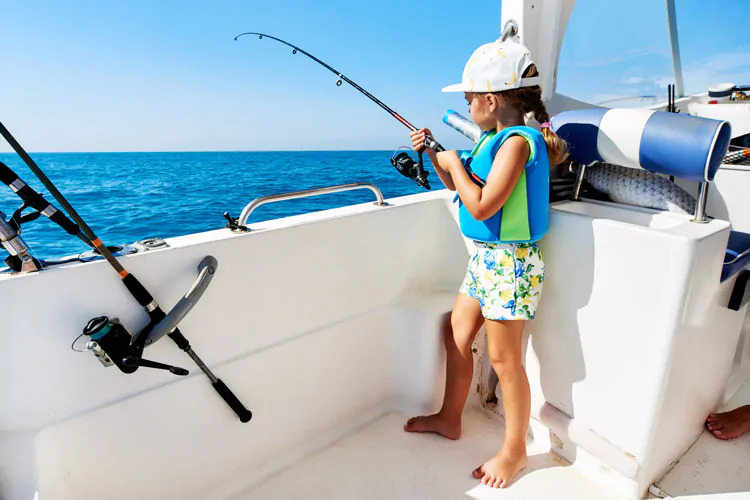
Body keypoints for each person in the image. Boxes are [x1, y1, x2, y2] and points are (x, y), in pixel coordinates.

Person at [403, 39, 567, 489]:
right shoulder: (494, 140)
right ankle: (449, 416)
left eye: (469, 98)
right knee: (454, 330)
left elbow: (481, 208)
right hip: (487, 261)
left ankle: (514, 451)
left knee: (503, 358)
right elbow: (465, 189)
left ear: (490, 100)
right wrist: (440, 156)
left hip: (511, 263)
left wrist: (454, 163)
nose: (468, 105)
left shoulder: (517, 143)